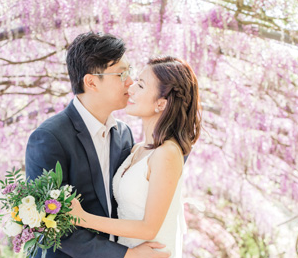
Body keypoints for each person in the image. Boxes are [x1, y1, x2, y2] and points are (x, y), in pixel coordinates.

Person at [25, 32, 170, 258]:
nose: (130, 82)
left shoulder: (123, 134)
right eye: (121, 74)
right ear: (91, 81)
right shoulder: (49, 138)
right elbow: (52, 225)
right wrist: (126, 255)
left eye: (129, 72)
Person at [69, 56, 202, 258]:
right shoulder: (137, 149)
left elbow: (148, 228)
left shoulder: (167, 153)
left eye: (140, 85)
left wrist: (81, 218)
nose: (130, 87)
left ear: (161, 104)